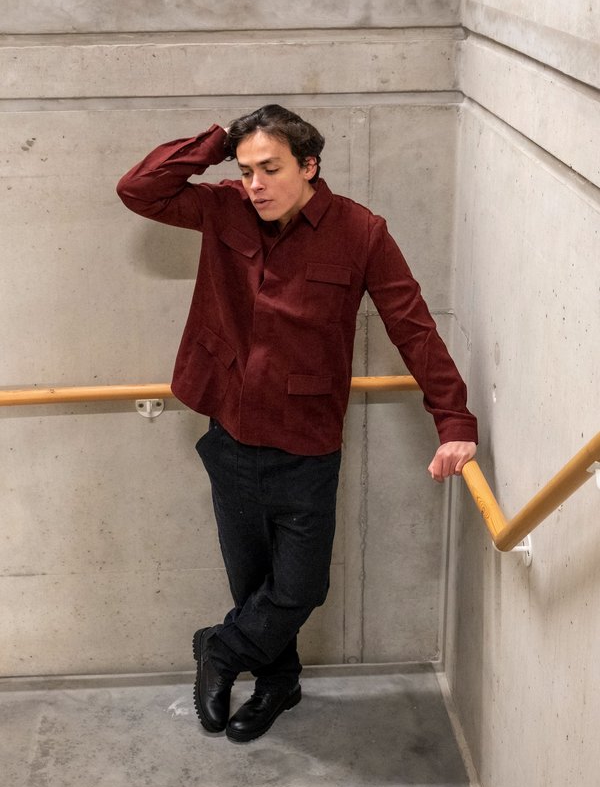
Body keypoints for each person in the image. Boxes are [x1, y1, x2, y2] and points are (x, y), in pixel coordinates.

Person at [116, 104, 477, 743]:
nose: (255, 184)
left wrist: (454, 420)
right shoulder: (223, 207)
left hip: (307, 444)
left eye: (271, 168)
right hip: (229, 433)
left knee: (301, 586)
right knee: (250, 579)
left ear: (309, 166)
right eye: (246, 169)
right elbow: (138, 189)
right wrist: (217, 143)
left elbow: (413, 327)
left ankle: (221, 649)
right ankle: (279, 682)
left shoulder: (361, 232)